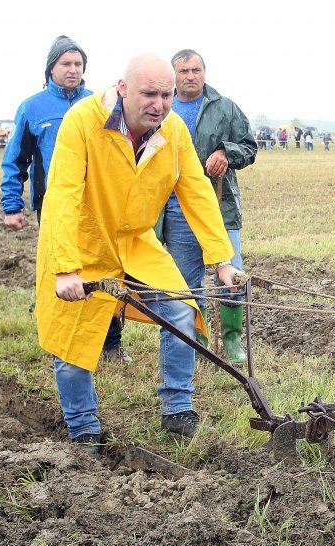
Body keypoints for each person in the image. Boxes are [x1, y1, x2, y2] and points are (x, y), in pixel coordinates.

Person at [36, 53, 238, 449]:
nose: (158, 104)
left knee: (181, 307)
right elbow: (61, 194)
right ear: (123, 89)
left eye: (166, 94)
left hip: (134, 242)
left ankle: (177, 407)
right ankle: (82, 426)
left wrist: (222, 260)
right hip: (81, 243)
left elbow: (195, 191)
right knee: (73, 336)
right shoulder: (83, 121)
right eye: (149, 93)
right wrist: (65, 269)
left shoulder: (173, 131)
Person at [0, 36, 131, 364]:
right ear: (51, 68)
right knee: (64, 269)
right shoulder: (33, 108)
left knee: (107, 271)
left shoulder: (100, 104)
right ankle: (64, 343)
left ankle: (111, 344)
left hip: (100, 206)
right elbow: (15, 159)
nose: (73, 70)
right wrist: (12, 205)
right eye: (65, 64)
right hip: (55, 206)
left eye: (78, 64)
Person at [163, 48, 257, 365]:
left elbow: (249, 146)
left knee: (230, 277)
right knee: (186, 281)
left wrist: (227, 153)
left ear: (205, 72)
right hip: (175, 210)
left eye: (196, 70)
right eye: (183, 71)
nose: (191, 76)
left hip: (221, 207)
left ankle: (231, 340)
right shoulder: (162, 108)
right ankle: (198, 338)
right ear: (172, 76)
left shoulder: (224, 108)